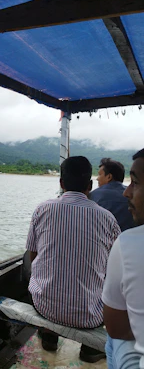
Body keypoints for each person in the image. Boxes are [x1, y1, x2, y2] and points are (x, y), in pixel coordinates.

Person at [26, 156, 120, 362]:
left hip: (45, 306)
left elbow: (33, 256)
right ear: (90, 185)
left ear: (61, 183)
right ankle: (90, 350)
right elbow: (116, 268)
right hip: (90, 315)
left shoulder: (42, 209)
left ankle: (49, 337)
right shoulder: (108, 218)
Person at [102, 149, 144, 369]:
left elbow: (117, 328)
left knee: (114, 339)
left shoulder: (129, 243)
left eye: (135, 183)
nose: (127, 193)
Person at [90, 158, 134, 231]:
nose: (97, 178)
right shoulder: (133, 196)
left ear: (109, 177)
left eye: (100, 174)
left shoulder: (93, 195)